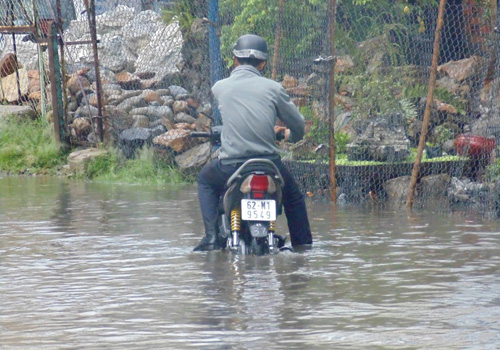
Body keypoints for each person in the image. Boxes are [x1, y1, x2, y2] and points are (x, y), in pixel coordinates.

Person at [194, 34, 312, 251]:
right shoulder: (273, 88)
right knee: (293, 198)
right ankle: (303, 248)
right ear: (263, 63)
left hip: (231, 165)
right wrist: (289, 136)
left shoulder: (219, 87)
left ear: (234, 60)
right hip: (270, 164)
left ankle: (211, 237)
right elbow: (298, 124)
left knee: (205, 180)